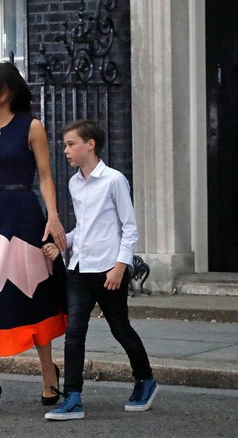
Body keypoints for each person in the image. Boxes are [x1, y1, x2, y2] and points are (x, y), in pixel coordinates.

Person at [0, 62, 68, 416]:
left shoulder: (31, 126)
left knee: (32, 293)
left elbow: (47, 177)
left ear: (13, 89)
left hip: (22, 215)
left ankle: (49, 375)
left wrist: (52, 216)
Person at [43, 119, 157, 421]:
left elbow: (129, 229)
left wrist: (121, 266)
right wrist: (62, 243)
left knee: (120, 329)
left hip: (109, 270)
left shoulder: (114, 180)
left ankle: (145, 380)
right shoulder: (73, 183)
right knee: (74, 332)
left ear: (90, 144)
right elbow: (84, 228)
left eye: (71, 144)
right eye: (65, 145)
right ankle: (73, 397)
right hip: (80, 269)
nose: (65, 150)